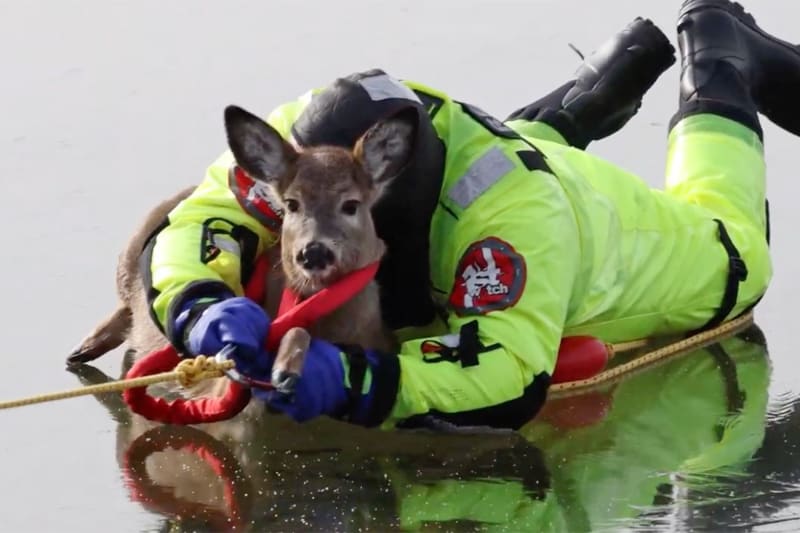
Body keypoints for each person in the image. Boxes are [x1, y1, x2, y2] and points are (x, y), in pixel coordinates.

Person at [137, 0, 799, 430]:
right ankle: (603, 85)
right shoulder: (307, 148)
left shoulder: (509, 225)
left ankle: (717, 59)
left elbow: (506, 371)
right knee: (508, 152)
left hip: (609, 235)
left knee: (739, 253)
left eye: (354, 210)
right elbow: (204, 220)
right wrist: (201, 305)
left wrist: (356, 380)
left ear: (388, 187)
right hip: (499, 161)